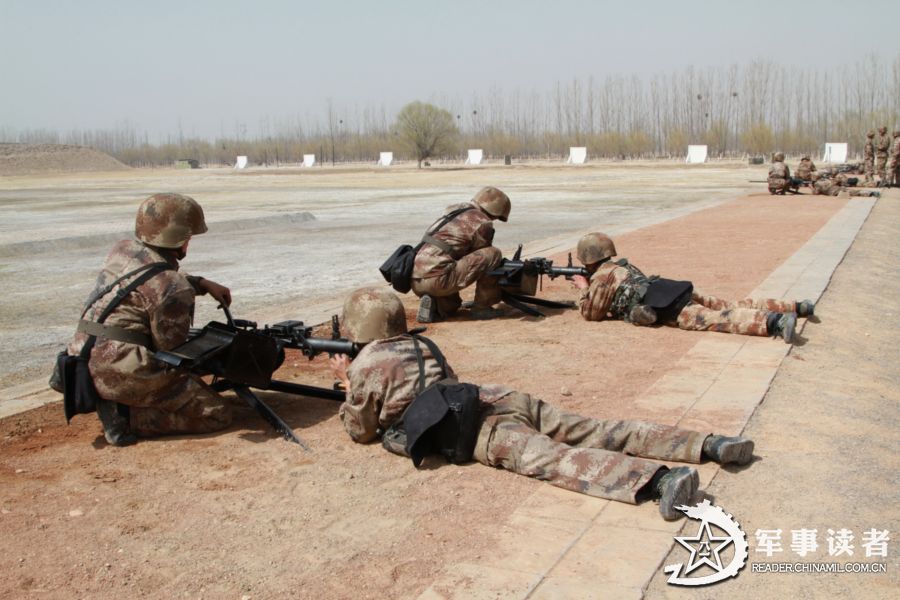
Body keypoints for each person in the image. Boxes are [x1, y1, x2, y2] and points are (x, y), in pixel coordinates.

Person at [329, 287, 756, 521]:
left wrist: (345, 383)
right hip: (499, 397)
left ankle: (661, 482)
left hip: (484, 430)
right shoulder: (422, 343)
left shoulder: (366, 364)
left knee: (559, 461)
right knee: (596, 428)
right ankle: (708, 444)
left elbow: (362, 430)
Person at [51, 193, 234, 446]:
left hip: (82, 354)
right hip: (120, 368)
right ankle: (125, 416)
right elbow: (172, 352)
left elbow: (149, 276)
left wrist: (200, 283)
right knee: (218, 414)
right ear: (182, 239)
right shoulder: (174, 287)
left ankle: (117, 397)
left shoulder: (123, 250)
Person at [571, 233, 815, 343]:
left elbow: (592, 314)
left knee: (721, 318)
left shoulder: (602, 277)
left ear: (587, 258)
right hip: (671, 290)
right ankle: (796, 306)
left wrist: (583, 288)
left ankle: (776, 322)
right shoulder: (622, 266)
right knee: (730, 304)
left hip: (668, 306)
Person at [410, 186, 510, 323]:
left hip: (416, 279)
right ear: (496, 210)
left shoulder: (453, 210)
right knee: (493, 254)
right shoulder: (483, 222)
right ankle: (482, 307)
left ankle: (436, 306)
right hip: (439, 278)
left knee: (453, 306)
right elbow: (482, 259)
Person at [812, 172, 881, 198]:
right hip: (838, 188)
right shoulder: (826, 180)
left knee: (853, 193)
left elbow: (816, 193)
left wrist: (810, 187)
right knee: (854, 191)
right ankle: (870, 192)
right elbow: (834, 182)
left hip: (835, 192)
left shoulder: (817, 184)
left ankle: (870, 194)